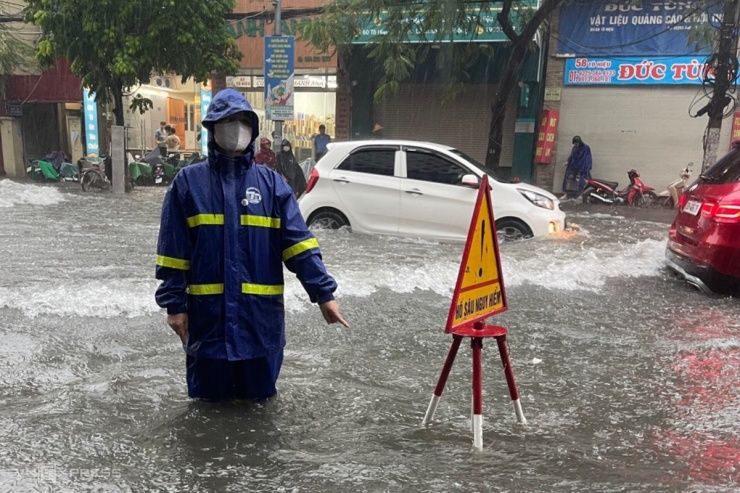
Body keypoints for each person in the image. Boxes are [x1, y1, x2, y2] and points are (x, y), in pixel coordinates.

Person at [155, 88, 349, 402]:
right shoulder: (188, 184)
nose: (235, 129)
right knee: (208, 414)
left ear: (252, 129)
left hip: (260, 325)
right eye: (227, 121)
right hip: (208, 326)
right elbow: (173, 253)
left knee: (261, 413)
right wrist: (174, 307)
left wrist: (324, 294)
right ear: (213, 128)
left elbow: (299, 246)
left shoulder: (273, 185)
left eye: (242, 121)